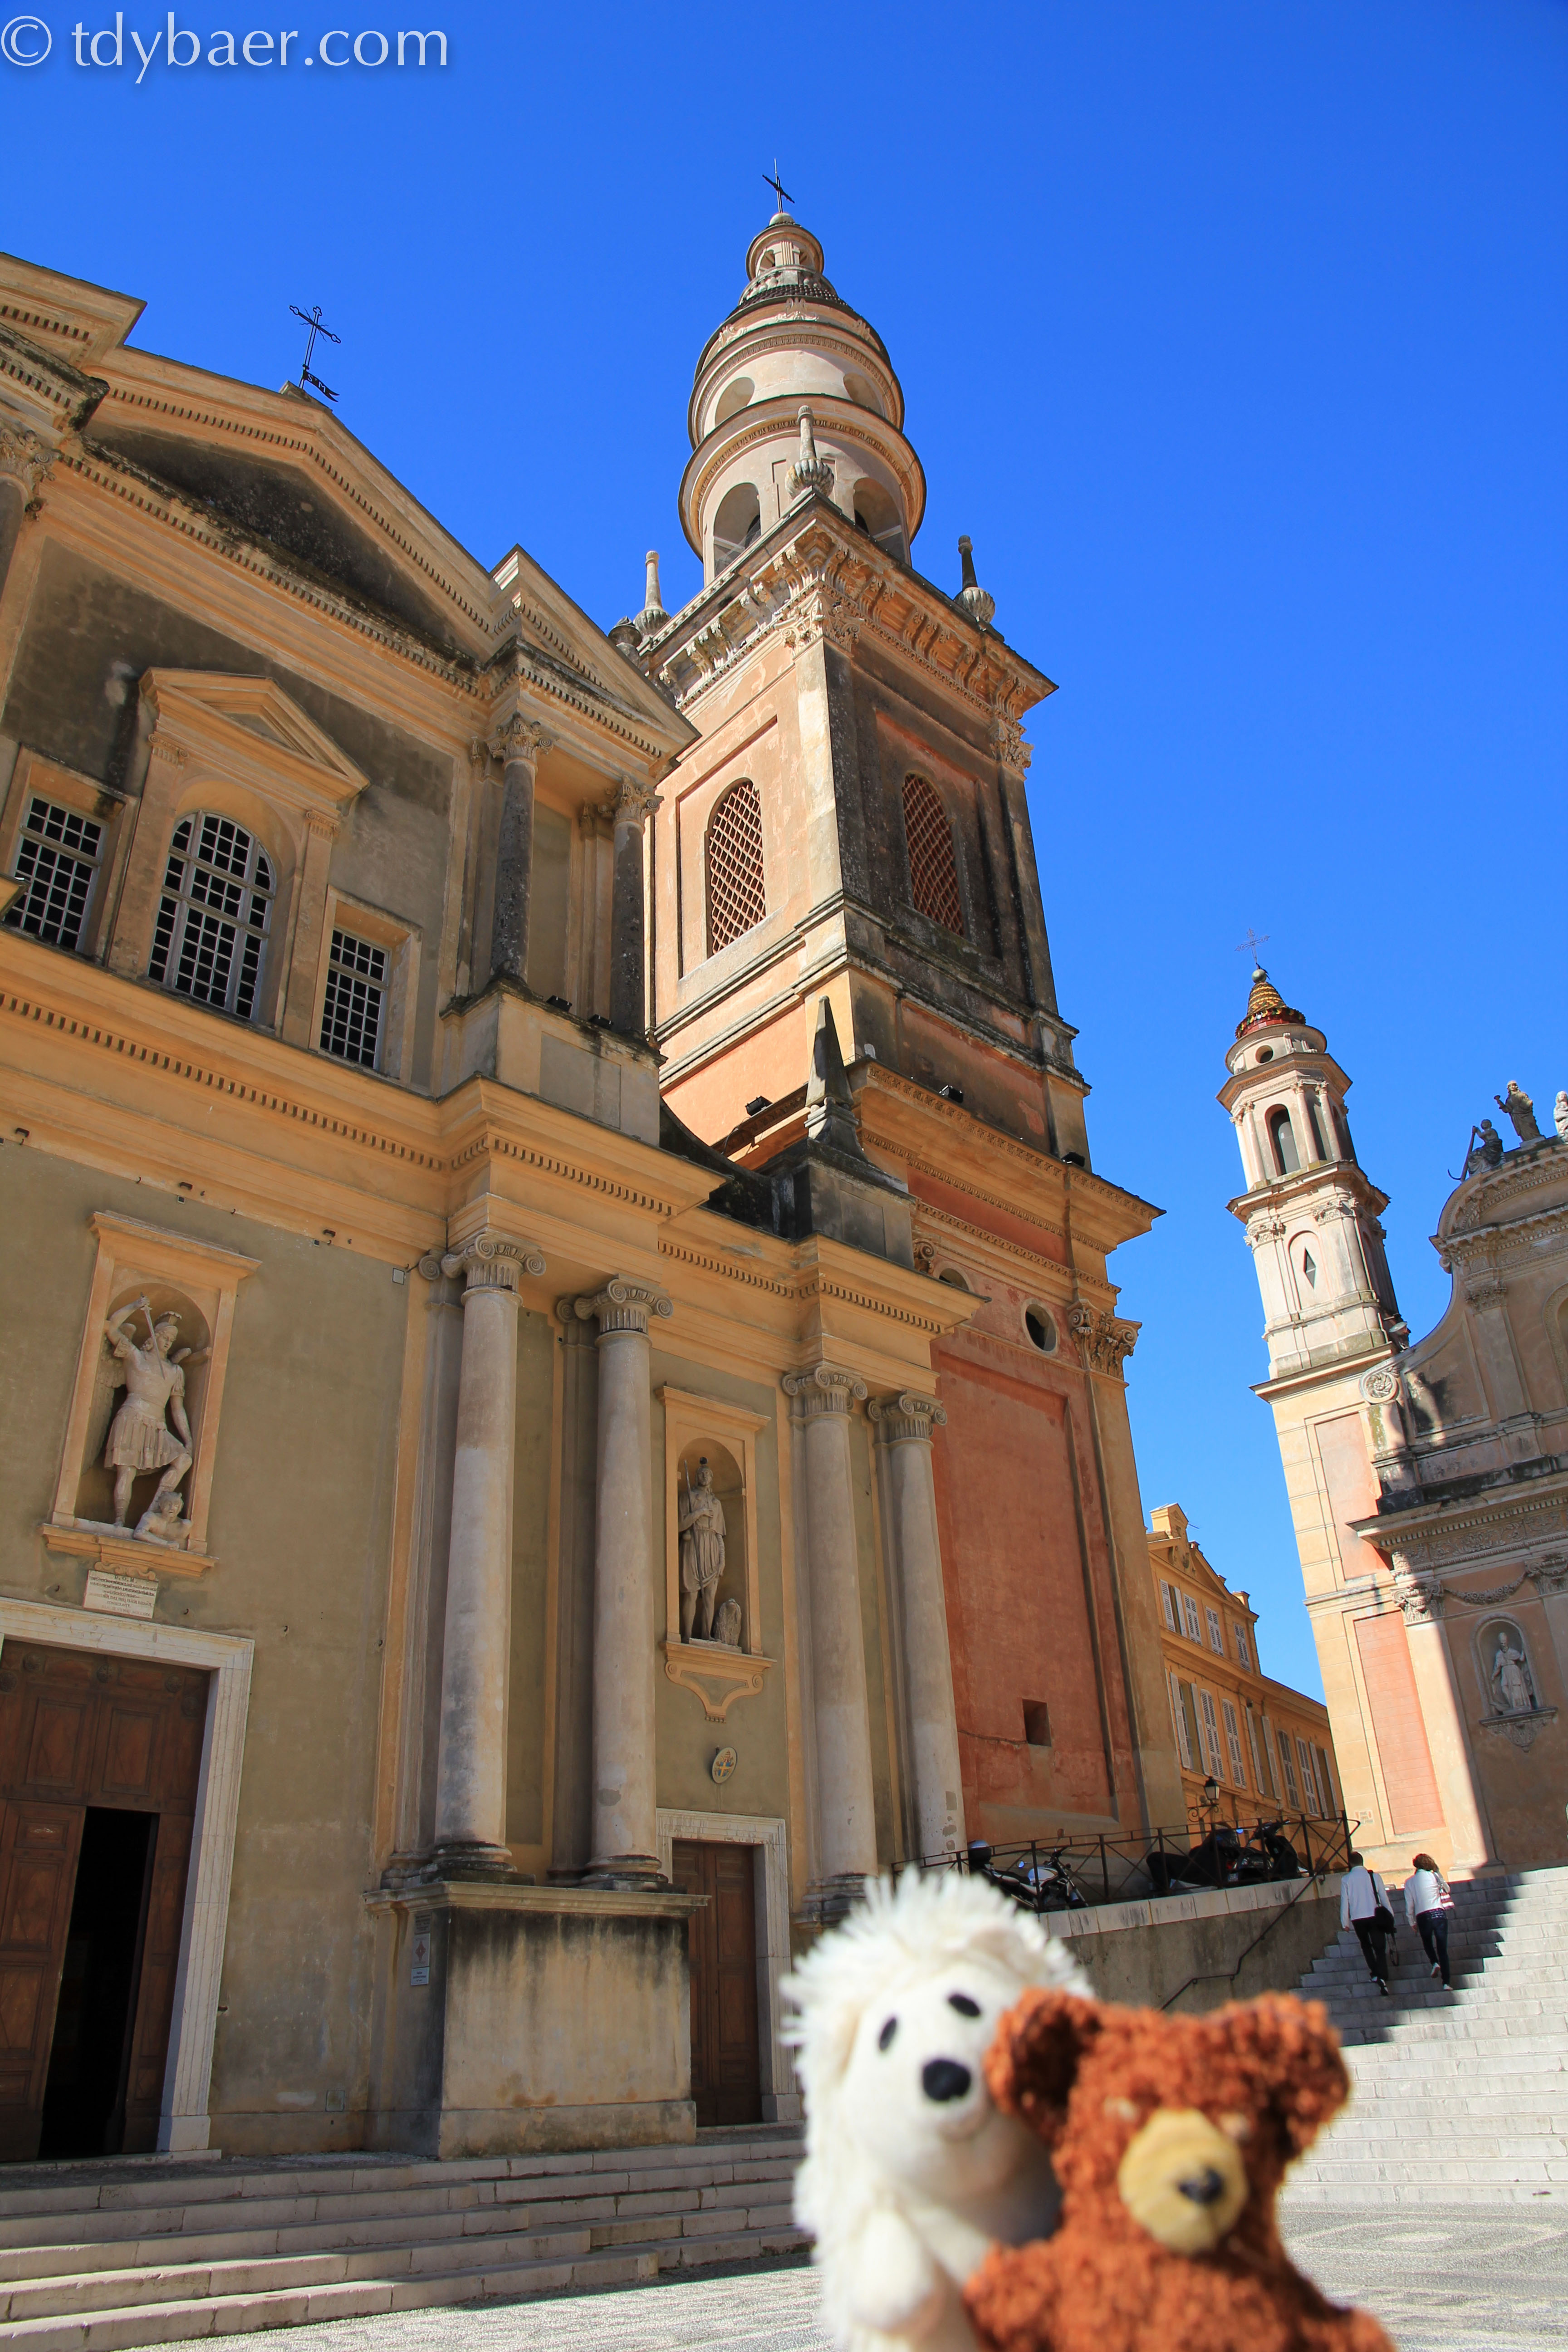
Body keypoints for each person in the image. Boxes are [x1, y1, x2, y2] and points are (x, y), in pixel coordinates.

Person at [1340, 1849, 1394, 1994]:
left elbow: (1345, 1902)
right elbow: (1383, 1897)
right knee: (1380, 1947)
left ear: (1350, 1864)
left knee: (1366, 1946)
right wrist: (1391, 1915)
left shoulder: (1346, 1880)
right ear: (1362, 1862)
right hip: (1375, 1915)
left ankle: (1375, 1973)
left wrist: (1345, 1922)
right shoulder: (1374, 1876)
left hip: (1358, 1918)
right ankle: (1382, 1975)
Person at [1405, 1852, 1453, 1989]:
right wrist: (1438, 1872)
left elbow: (1410, 1904)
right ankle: (1446, 1982)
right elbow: (1447, 1889)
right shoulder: (1434, 1876)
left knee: (1427, 1943)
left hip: (1422, 1916)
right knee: (1442, 1949)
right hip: (1438, 1913)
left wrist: (1411, 1921)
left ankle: (1434, 1962)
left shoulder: (1409, 1882)